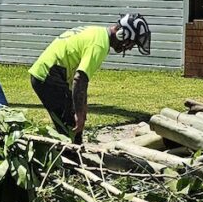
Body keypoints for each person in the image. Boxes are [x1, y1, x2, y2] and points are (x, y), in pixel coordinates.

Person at [29, 13, 151, 144]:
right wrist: (80, 115)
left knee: (71, 126)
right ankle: (68, 158)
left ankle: (70, 154)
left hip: (49, 73)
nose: (129, 48)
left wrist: (82, 108)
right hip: (48, 76)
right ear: (122, 34)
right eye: (131, 43)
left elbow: (81, 79)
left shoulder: (97, 34)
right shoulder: (99, 45)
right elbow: (79, 79)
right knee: (71, 129)